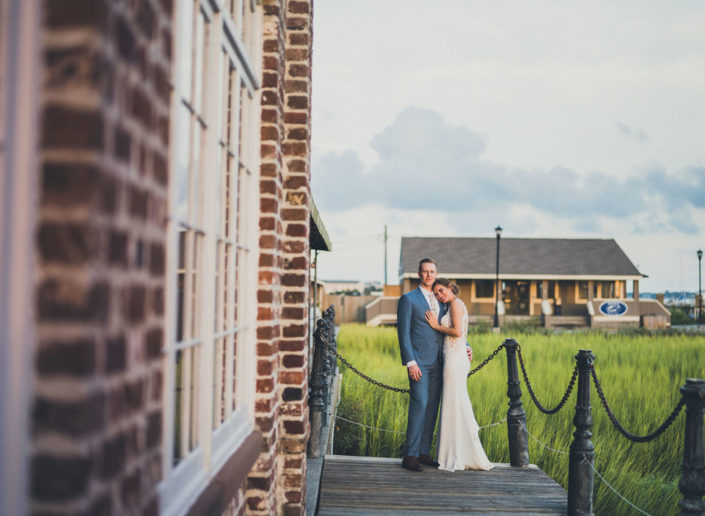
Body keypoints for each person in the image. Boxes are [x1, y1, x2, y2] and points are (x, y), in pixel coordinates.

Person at [397, 259, 472, 471]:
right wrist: (410, 362)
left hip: (441, 363)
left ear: (436, 273)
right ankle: (409, 455)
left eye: (432, 271)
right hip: (419, 363)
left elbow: (453, 326)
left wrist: (466, 345)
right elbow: (403, 335)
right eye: (425, 272)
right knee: (419, 405)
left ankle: (423, 452)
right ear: (419, 274)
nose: (429, 275)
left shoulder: (443, 300)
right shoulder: (408, 300)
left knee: (432, 407)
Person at [424, 278, 494, 471]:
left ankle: (456, 454)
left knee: (454, 402)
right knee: (454, 403)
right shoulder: (452, 306)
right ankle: (455, 452)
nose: (439, 295)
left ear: (449, 287)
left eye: (441, 291)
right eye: (436, 294)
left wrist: (436, 326)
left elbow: (456, 331)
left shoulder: (455, 304)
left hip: (455, 361)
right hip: (453, 357)